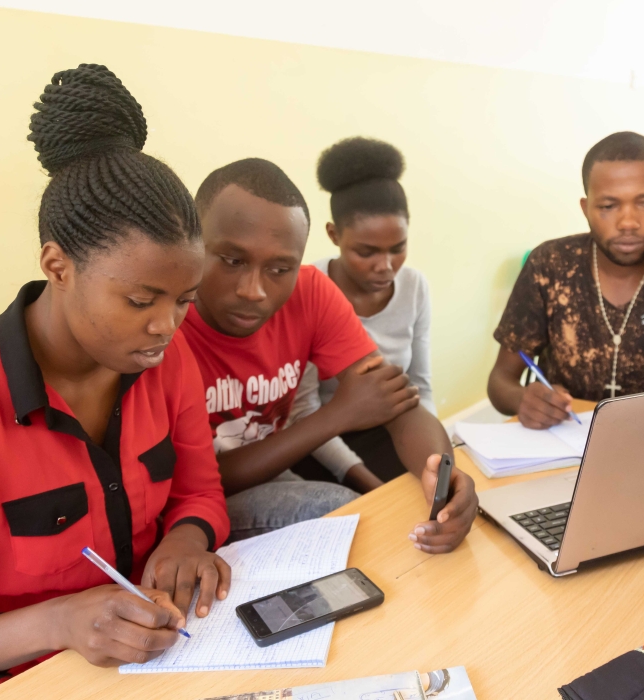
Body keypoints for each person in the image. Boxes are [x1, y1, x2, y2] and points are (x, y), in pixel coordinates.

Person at [0, 65, 231, 698]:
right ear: (57, 264)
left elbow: (200, 491)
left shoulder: (164, 356)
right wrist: (57, 623)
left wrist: (190, 536)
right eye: (140, 300)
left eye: (185, 299)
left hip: (166, 662)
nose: (166, 326)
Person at [182, 157, 477, 550]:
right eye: (233, 261)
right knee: (346, 517)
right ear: (194, 242)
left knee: (393, 513)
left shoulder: (312, 292)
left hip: (269, 474)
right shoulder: (167, 321)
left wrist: (445, 473)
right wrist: (339, 413)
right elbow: (199, 482)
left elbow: (397, 403)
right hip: (188, 508)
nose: (253, 290)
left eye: (279, 269)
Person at [487, 131, 644, 429]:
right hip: (567, 446)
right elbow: (500, 381)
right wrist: (523, 400)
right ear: (586, 209)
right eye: (608, 207)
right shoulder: (551, 265)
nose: (628, 223)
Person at [285, 137, 433, 491]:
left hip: (393, 429)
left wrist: (434, 460)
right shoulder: (306, 289)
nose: (386, 267)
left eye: (398, 249)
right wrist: (367, 483)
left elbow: (420, 386)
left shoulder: (414, 286)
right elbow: (303, 412)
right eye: (366, 252)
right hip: (322, 444)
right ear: (334, 235)